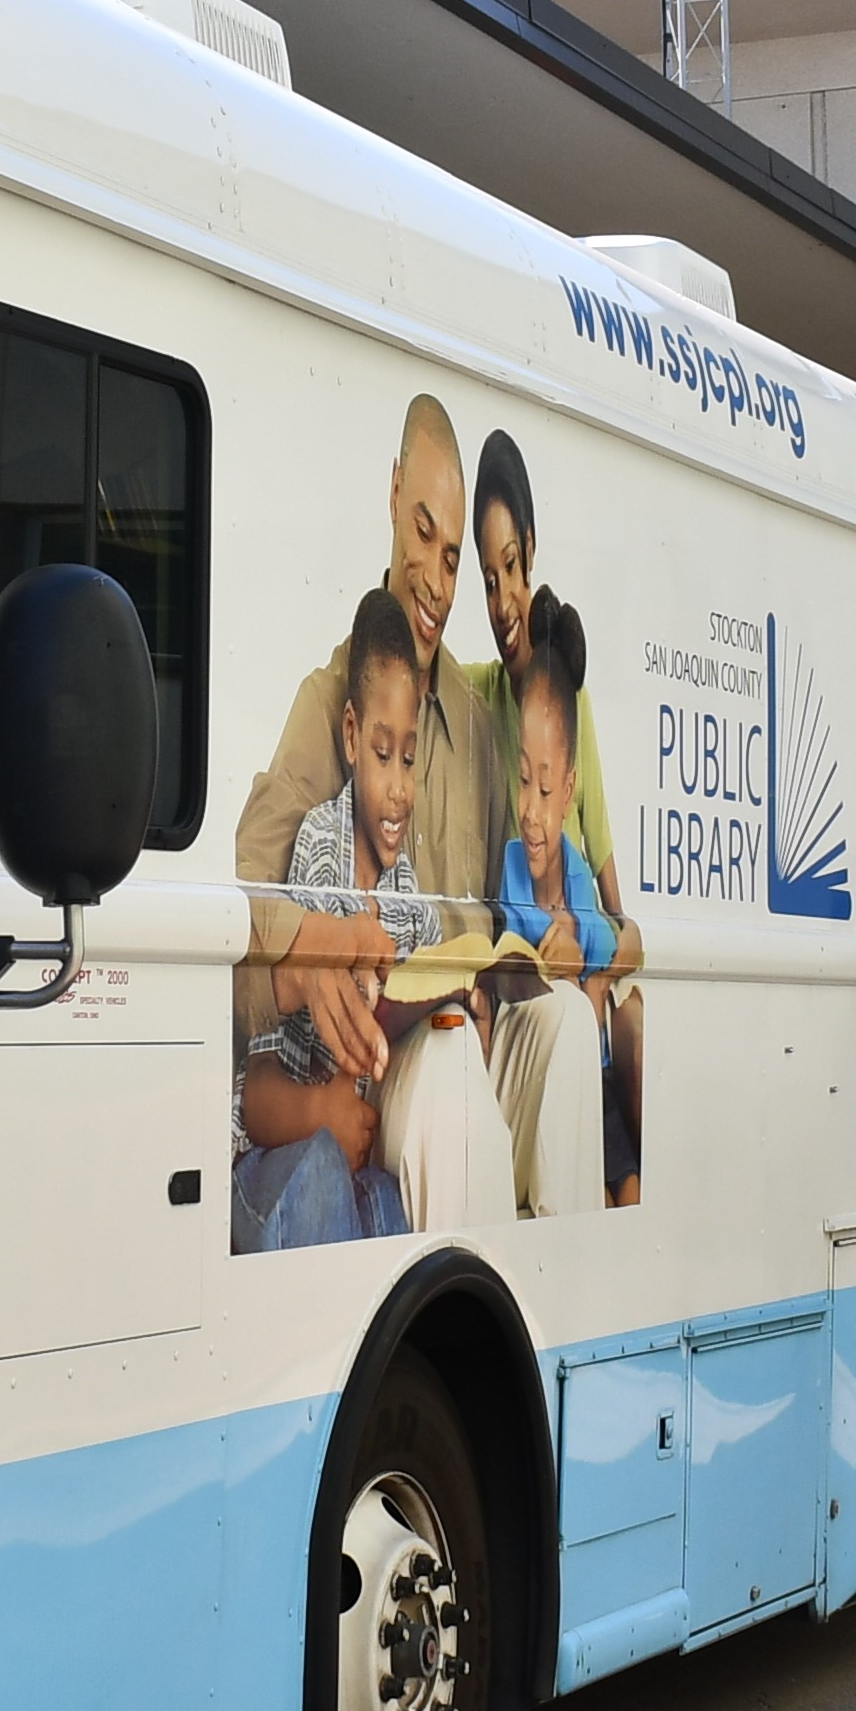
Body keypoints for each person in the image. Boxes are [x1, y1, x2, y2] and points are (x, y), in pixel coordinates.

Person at [465, 431, 644, 1197]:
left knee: (620, 1156)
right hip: (523, 985)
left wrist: (599, 976)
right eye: (486, 576)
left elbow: (612, 895)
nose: (501, 601)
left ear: (530, 552)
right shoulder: (475, 694)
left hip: (579, 974)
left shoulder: (573, 706)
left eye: (510, 568)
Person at [233, 589, 436, 1251]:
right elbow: (258, 1096)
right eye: (382, 755)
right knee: (324, 1170)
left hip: (355, 1148)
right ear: (349, 735)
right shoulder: (319, 846)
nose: (399, 787)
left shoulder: (407, 889)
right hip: (276, 1138)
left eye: (410, 758)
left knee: (383, 1196)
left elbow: (428, 972)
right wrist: (320, 1113)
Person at [492, 586, 612, 1213]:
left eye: (546, 789)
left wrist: (579, 940)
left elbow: (608, 936)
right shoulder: (511, 866)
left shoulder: (580, 877)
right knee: (568, 1008)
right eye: (521, 780)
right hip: (523, 1047)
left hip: (578, 1061)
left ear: (568, 791)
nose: (531, 813)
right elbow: (508, 946)